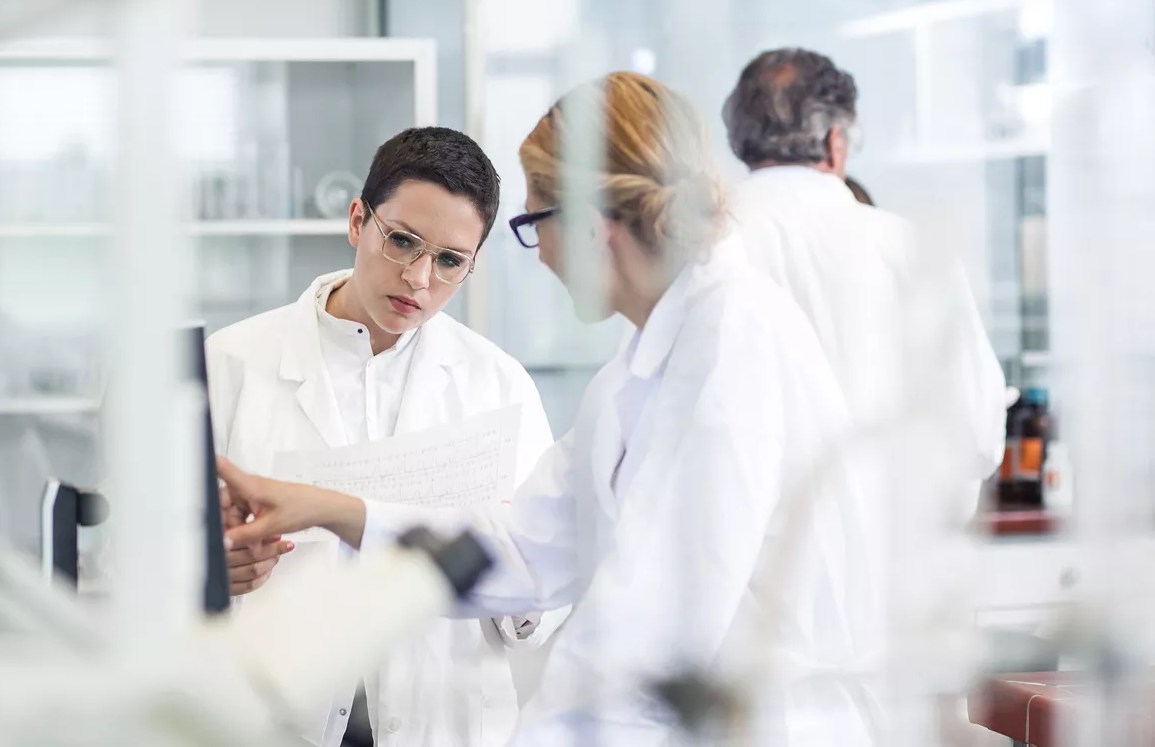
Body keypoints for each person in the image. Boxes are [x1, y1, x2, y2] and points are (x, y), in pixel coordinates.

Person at [219, 72, 883, 746]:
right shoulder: (646, 361)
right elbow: (522, 546)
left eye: (534, 225)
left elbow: (647, 638)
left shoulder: (731, 347)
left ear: (593, 229)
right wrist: (334, 509)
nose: (540, 259)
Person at [206, 127, 563, 747]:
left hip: (441, 718)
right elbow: (141, 561)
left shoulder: (498, 386)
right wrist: (212, 566)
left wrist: (514, 558)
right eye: (402, 241)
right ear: (357, 221)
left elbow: (544, 598)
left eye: (451, 260)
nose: (420, 279)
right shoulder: (230, 365)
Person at [722, 48, 1006, 515]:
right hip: (887, 561)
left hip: (745, 570)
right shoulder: (904, 247)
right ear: (836, 140)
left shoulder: (697, 248)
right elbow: (975, 431)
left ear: (741, 139)